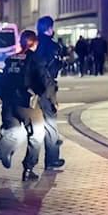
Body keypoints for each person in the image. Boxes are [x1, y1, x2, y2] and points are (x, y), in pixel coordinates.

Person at [0, 30, 55, 181]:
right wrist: (50, 98)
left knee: (13, 133)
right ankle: (28, 169)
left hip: (8, 104)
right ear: (35, 43)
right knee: (37, 135)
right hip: (26, 104)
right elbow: (44, 83)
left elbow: (3, 81)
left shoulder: (10, 59)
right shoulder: (35, 59)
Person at [33, 16, 65, 170]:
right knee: (50, 122)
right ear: (49, 28)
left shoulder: (33, 43)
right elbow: (53, 68)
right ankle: (52, 158)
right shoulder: (52, 46)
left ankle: (30, 163)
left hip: (32, 87)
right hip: (46, 87)